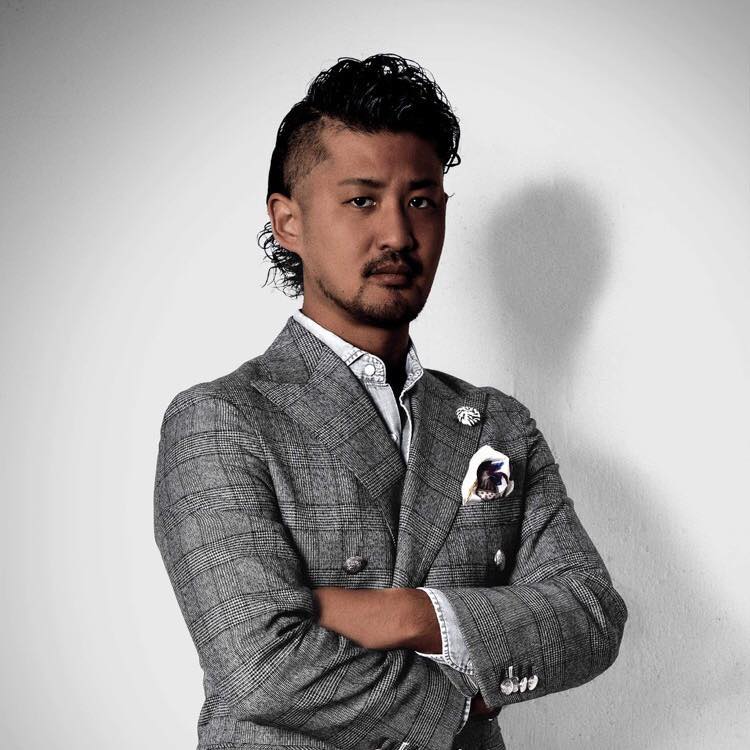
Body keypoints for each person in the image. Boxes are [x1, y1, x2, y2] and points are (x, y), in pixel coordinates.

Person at [153, 53, 627, 750]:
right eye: (362, 200)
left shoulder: (498, 426)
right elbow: (260, 669)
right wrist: (462, 704)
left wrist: (408, 614)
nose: (400, 235)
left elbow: (590, 616)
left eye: (421, 201)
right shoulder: (221, 420)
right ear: (288, 221)